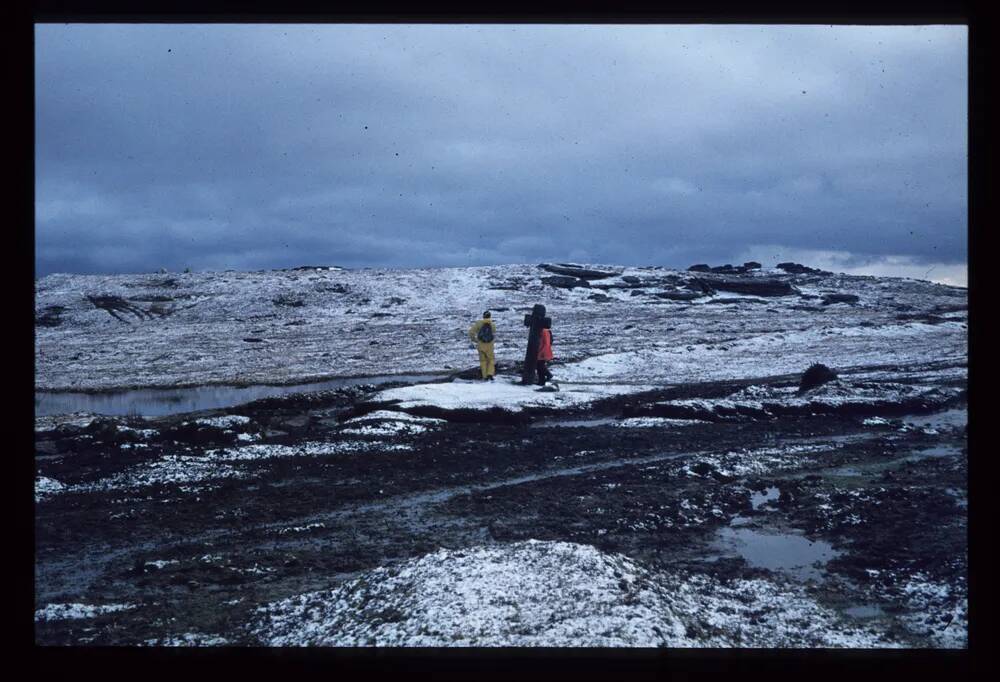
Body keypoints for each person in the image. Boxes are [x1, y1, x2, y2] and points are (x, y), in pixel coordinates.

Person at [468, 311, 496, 381]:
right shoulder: (492, 324)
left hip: (481, 344)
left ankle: (485, 376)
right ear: (490, 316)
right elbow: (493, 333)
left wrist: (474, 340)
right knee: (491, 360)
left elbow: (471, 332)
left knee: (483, 361)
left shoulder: (478, 323)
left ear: (483, 316)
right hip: (490, 345)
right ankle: (490, 374)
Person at [536, 318, 554, 385]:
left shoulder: (544, 331)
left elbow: (546, 343)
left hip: (543, 351)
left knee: (540, 365)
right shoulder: (546, 331)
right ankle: (541, 381)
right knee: (539, 366)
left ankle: (548, 375)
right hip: (543, 350)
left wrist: (542, 351)